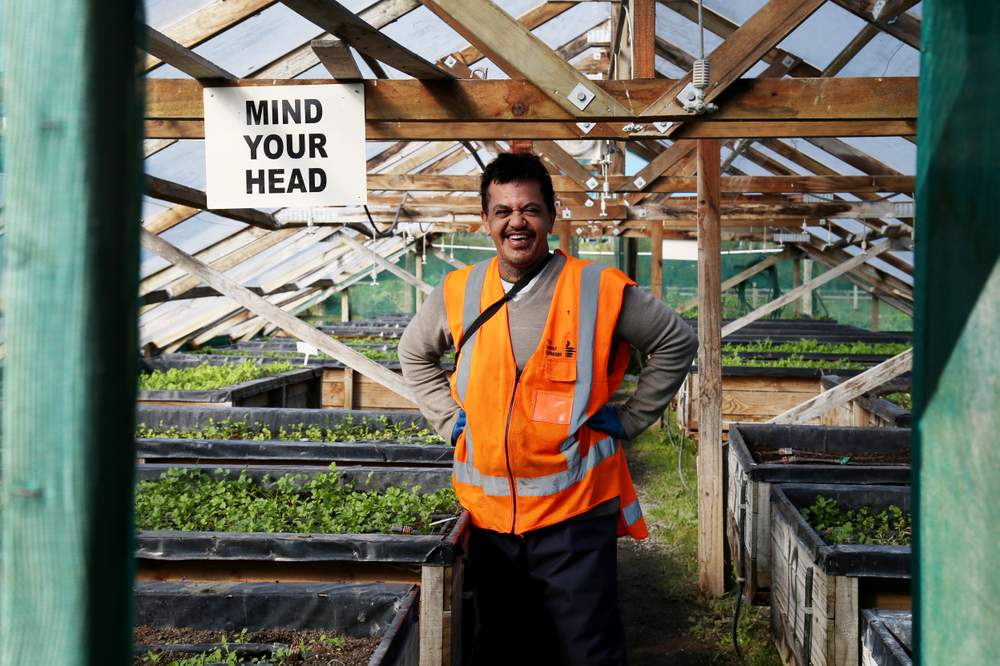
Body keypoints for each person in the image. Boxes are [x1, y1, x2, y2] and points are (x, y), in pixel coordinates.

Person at [398, 152, 697, 665]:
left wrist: (631, 418)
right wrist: (448, 420)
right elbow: (414, 353)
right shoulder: (459, 290)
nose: (516, 222)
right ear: (486, 220)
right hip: (491, 520)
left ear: (551, 217)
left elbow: (676, 341)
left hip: (575, 513)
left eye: (530, 209)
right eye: (503, 211)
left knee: (587, 650)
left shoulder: (595, 288)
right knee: (509, 648)